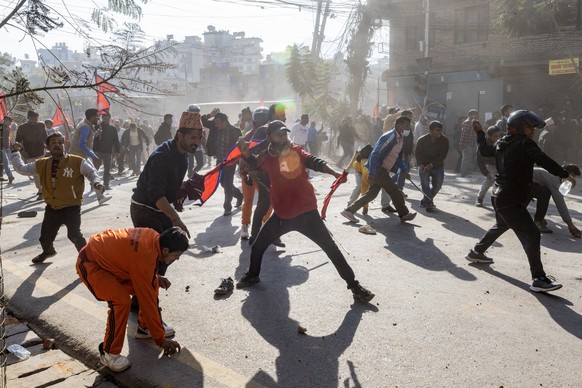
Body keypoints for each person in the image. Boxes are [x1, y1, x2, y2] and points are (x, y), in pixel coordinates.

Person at [236, 120, 375, 303]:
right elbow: (255, 167)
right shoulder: (266, 158)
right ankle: (253, 275)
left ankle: (355, 286)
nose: (283, 138)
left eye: (285, 134)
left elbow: (313, 161)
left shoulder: (296, 150)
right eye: (279, 134)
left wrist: (333, 173)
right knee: (257, 247)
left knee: (331, 249)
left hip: (306, 213)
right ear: (269, 137)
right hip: (282, 215)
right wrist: (246, 154)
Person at [465, 110, 575, 293]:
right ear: (518, 127)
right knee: (532, 234)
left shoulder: (502, 142)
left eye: (532, 127)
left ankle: (476, 252)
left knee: (501, 225)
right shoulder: (525, 144)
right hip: (510, 198)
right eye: (528, 126)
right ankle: (538, 278)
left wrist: (479, 134)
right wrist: (565, 174)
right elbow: (543, 160)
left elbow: (484, 150)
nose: (532, 130)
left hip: (499, 195)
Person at [76, 227, 187, 372]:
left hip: (109, 264)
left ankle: (144, 328)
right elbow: (147, 301)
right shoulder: (146, 256)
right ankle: (109, 353)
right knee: (121, 301)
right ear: (165, 250)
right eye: (176, 255)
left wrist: (155, 277)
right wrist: (161, 340)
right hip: (90, 265)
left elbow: (136, 262)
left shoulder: (153, 236)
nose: (177, 259)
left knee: (152, 281)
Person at [10, 132, 110, 264]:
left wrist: (97, 183)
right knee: (45, 238)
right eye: (53, 143)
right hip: (52, 207)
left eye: (59, 142)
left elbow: (92, 173)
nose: (57, 145)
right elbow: (22, 169)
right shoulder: (42, 163)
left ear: (64, 144)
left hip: (72, 206)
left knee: (74, 235)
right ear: (48, 147)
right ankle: (48, 251)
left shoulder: (77, 161)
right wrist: (14, 152)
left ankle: (88, 259)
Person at [341, 116, 417, 224]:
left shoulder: (400, 139)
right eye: (406, 126)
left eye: (409, 126)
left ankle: (349, 211)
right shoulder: (390, 137)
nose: (409, 128)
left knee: (371, 194)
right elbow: (375, 154)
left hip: (383, 170)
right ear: (399, 126)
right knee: (394, 190)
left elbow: (398, 157)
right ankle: (404, 214)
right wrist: (372, 172)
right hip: (378, 169)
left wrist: (405, 171)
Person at [529, 163, 581, 237]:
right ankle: (538, 222)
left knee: (544, 191)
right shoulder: (554, 178)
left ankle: (539, 219)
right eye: (572, 176)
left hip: (526, 181)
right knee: (545, 193)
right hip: (522, 182)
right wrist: (570, 225)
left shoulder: (555, 175)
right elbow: (560, 203)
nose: (572, 179)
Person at [212, 112, 244, 216]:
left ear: (224, 122)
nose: (216, 125)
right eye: (215, 123)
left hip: (231, 161)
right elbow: (203, 122)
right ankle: (239, 196)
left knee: (228, 182)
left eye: (218, 123)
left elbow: (241, 148)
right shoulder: (216, 130)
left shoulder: (235, 131)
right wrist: (210, 115)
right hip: (220, 160)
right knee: (222, 182)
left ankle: (227, 207)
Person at [414, 120, 449, 211]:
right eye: (437, 130)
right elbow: (417, 154)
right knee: (425, 184)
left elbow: (442, 155)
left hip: (437, 166)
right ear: (430, 131)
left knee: (437, 185)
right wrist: (421, 164)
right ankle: (429, 203)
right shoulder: (421, 140)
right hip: (424, 166)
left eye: (441, 130)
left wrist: (432, 164)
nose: (439, 132)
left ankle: (426, 200)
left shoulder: (444, 140)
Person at [15, 110, 47, 199]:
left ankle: (42, 190)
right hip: (29, 154)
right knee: (36, 174)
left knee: (41, 173)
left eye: (37, 118)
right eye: (33, 118)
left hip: (40, 152)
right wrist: (22, 151)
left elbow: (45, 137)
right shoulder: (22, 127)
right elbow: (17, 141)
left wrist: (50, 146)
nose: (35, 120)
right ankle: (41, 191)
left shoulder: (41, 125)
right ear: (28, 118)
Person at [475, 126, 502, 207]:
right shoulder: (483, 145)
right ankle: (480, 199)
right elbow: (480, 161)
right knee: (489, 182)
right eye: (495, 136)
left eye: (499, 136)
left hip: (501, 165)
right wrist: (486, 173)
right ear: (489, 136)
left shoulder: (503, 141)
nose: (498, 138)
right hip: (490, 165)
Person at [93, 113, 120, 190]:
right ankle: (93, 183)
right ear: (102, 118)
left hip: (108, 152)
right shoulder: (97, 127)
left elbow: (116, 141)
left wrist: (117, 151)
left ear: (109, 119)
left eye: (107, 118)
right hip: (98, 151)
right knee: (95, 169)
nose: (105, 120)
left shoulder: (112, 128)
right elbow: (92, 139)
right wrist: (97, 134)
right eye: (104, 118)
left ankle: (106, 184)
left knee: (107, 169)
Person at [347, 145, 372, 215]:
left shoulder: (375, 158)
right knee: (359, 186)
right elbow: (364, 186)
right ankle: (350, 204)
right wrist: (365, 207)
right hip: (358, 170)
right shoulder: (366, 162)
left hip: (363, 169)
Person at [458, 109, 479, 177]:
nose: (474, 116)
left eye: (475, 114)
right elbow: (463, 134)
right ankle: (463, 173)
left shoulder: (474, 122)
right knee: (466, 158)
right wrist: (461, 144)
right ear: (469, 115)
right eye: (473, 114)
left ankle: (466, 171)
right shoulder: (467, 122)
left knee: (469, 158)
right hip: (466, 144)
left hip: (472, 143)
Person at [1, 116, 15, 184]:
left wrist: (11, 144)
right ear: (5, 120)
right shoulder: (1, 127)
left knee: (4, 163)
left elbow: (8, 138)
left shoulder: (8, 128)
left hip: (7, 147)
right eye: (9, 122)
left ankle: (1, 176)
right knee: (5, 162)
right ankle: (10, 176)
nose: (10, 123)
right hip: (1, 147)